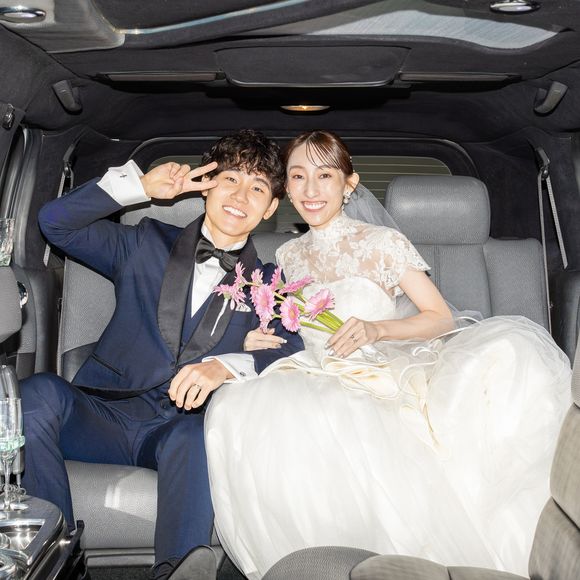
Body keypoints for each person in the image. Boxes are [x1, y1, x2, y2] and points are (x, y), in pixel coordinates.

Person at [205, 130, 572, 579]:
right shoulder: (286, 256)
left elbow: (440, 317)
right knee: (245, 403)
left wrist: (377, 329)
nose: (311, 189)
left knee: (345, 414)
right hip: (315, 372)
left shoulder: (382, 244)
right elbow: (291, 329)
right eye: (298, 176)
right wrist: (257, 339)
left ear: (350, 184)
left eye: (325, 175)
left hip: (383, 370)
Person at [20, 129, 304, 580]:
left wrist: (225, 366)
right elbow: (55, 222)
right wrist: (140, 188)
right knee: (35, 392)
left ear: (270, 208)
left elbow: (292, 349)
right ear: (207, 185)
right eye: (230, 179)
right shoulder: (144, 241)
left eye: (257, 188)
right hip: (104, 415)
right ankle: (54, 564)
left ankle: (176, 571)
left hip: (179, 430)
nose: (240, 197)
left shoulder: (269, 283)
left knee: (195, 436)